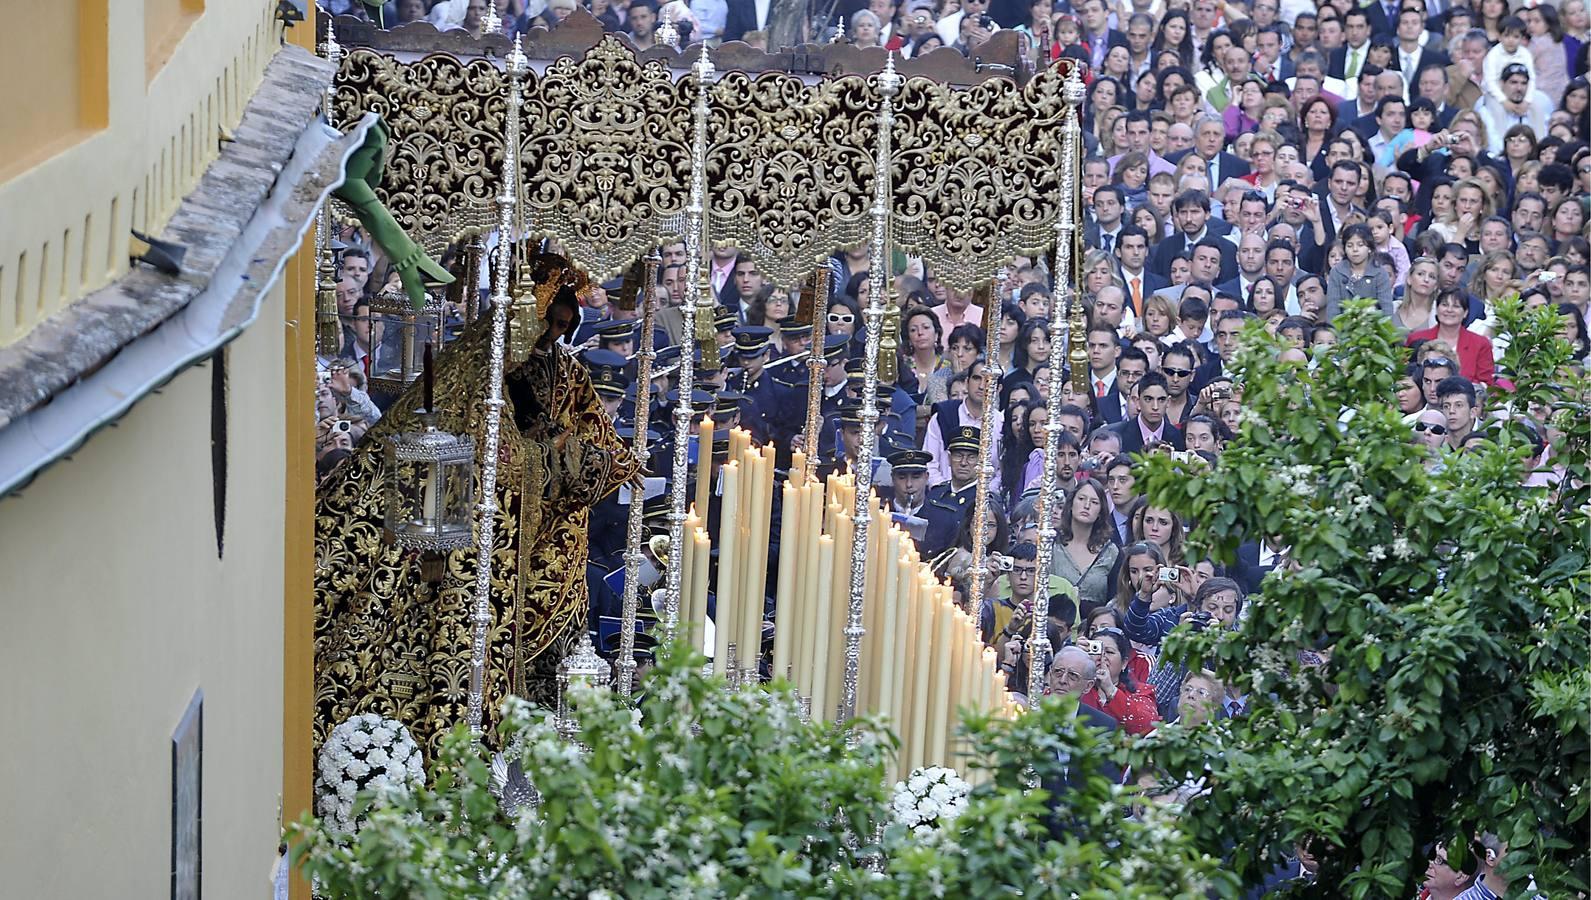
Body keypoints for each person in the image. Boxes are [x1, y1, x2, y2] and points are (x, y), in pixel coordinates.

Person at [315, 255, 643, 756]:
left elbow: (607, 460)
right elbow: (459, 457)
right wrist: (544, 457)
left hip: (530, 560)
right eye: (547, 323)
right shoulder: (465, 372)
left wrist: (563, 454)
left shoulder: (561, 375)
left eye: (564, 327)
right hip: (453, 553)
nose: (552, 337)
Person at [1051, 479, 1122, 612]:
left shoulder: (1111, 553)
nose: (1087, 505)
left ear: (1101, 511)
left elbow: (1115, 600)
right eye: (1082, 499)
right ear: (1071, 504)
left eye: (1094, 502)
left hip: (1095, 624)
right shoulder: (1052, 545)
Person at [1079, 628, 1161, 735]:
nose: (1102, 657)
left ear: (1124, 663)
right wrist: (1075, 660)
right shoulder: (1077, 687)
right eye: (1096, 650)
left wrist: (1110, 689)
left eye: (1109, 652)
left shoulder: (1141, 691)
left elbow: (1147, 727)